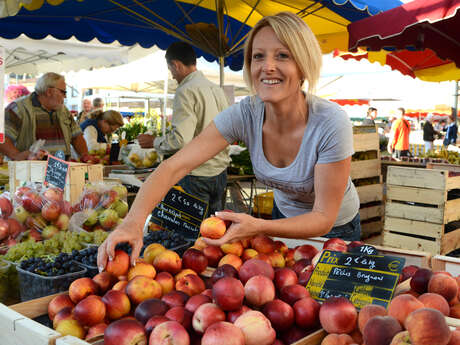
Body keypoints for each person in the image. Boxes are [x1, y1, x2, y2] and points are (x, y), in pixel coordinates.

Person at [97, 12, 361, 269]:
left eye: (282, 55)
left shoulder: (330, 122)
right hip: (282, 219)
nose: (267, 66)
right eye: (258, 56)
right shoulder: (245, 113)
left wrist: (259, 226)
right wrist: (133, 221)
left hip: (336, 228)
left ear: (304, 64)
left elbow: (323, 217)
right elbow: (173, 167)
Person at [136, 41, 230, 217]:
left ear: (176, 65)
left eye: (171, 70)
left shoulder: (186, 90)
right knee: (215, 234)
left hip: (197, 175)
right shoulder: (216, 89)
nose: (172, 76)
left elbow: (180, 139)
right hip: (220, 173)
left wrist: (154, 141)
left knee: (191, 237)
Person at [0, 72, 89, 161]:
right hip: (31, 171)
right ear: (49, 92)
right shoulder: (18, 108)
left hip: (61, 170)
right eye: (63, 92)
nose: (65, 96)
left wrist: (85, 156)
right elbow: (2, 137)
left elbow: (76, 136)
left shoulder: (63, 110)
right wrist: (16, 155)